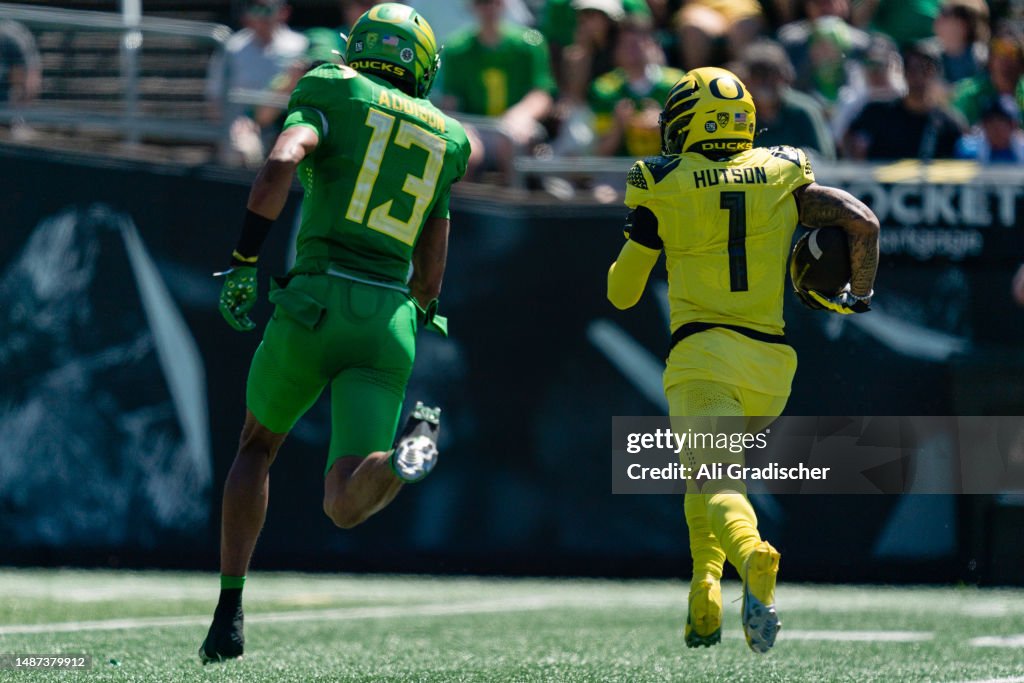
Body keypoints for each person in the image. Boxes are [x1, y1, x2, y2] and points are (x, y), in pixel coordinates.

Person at [199, 4, 471, 663]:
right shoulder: (448, 135)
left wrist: (243, 260)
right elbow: (432, 270)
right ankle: (400, 459)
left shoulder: (333, 86)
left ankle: (230, 610)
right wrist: (410, 314)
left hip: (315, 299)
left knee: (256, 445)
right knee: (346, 499)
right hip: (387, 319)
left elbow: (279, 162)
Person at [606, 66, 879, 652]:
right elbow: (862, 220)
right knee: (703, 474)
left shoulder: (661, 180)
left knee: (719, 482)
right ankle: (704, 591)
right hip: (771, 370)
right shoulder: (783, 168)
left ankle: (753, 553)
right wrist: (857, 295)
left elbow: (622, 294)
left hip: (704, 357)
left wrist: (643, 233)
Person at [439, 0, 556, 181]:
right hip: (476, 128)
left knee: (510, 142)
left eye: (495, 2)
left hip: (516, 128)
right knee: (463, 149)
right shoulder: (456, 49)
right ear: (472, 6)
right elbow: (449, 103)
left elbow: (541, 95)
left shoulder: (529, 44)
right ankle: (459, 198)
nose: (489, 8)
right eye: (482, 2)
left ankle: (516, 195)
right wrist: (459, 128)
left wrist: (520, 115)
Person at [205, 0, 308, 165]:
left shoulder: (300, 46)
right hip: (241, 124)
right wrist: (228, 126)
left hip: (286, 122)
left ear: (284, 12)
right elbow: (215, 96)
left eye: (267, 9)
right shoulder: (232, 47)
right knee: (241, 148)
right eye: (254, 8)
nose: (260, 15)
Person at [844, 41, 965, 160]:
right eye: (910, 68)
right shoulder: (877, 112)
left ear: (935, 73)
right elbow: (848, 138)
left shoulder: (948, 123)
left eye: (924, 68)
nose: (917, 75)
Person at [589, 16, 683, 158]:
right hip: (621, 168)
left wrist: (666, 125)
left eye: (637, 43)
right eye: (625, 45)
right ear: (615, 50)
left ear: (652, 44)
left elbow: (691, 142)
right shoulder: (604, 89)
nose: (632, 51)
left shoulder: (677, 83)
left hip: (669, 166)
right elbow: (599, 153)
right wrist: (619, 125)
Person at [737, 39, 836, 160]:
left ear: (786, 75)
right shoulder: (738, 114)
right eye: (757, 73)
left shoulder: (803, 111)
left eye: (772, 72)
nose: (765, 80)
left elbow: (824, 159)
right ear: (744, 80)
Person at [951, 22, 1024, 127]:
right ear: (990, 57)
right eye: (999, 50)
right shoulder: (968, 94)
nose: (1005, 59)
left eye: (1013, 52)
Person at [954, 98, 1024, 163]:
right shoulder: (969, 152)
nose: (995, 129)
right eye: (990, 123)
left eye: (1001, 122)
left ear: (1013, 125)